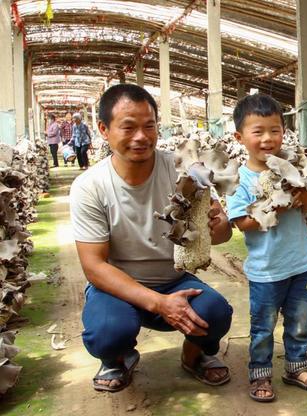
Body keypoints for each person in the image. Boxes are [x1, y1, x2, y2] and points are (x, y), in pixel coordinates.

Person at [69, 84, 234, 393]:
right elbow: (94, 266)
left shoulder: (183, 171)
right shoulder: (90, 186)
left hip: (174, 281)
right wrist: (159, 303)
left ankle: (195, 354)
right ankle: (117, 357)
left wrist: (221, 224)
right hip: (118, 288)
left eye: (149, 126)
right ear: (104, 130)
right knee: (107, 331)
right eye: (128, 127)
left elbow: (220, 236)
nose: (141, 136)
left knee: (216, 313)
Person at [226, 93, 307, 402]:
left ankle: (296, 366)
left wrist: (301, 189)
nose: (268, 138)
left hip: (302, 263)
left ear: (285, 131)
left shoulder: (291, 167)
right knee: (263, 326)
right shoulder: (239, 179)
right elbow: (241, 222)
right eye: (258, 131)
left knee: (300, 322)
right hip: (266, 270)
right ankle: (260, 373)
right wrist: (275, 208)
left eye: (275, 130)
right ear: (240, 137)